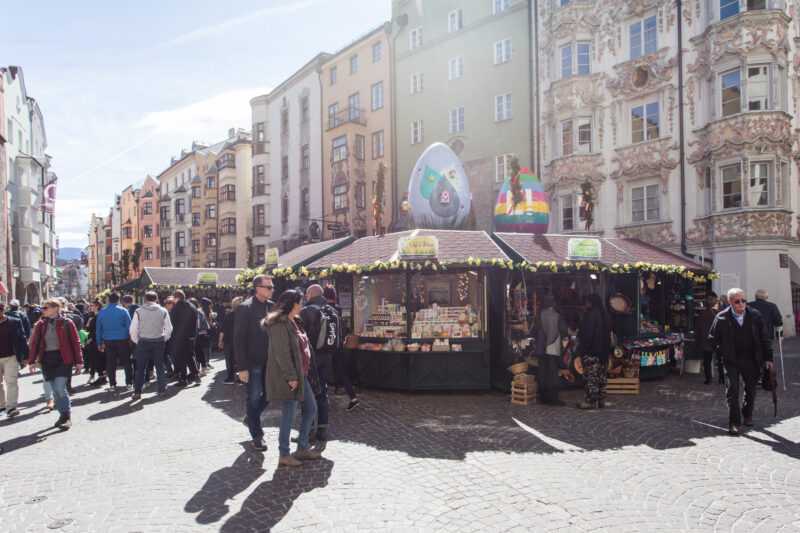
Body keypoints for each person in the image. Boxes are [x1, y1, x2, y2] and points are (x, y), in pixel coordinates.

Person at [264, 289, 321, 467]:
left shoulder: (295, 321)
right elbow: (282, 353)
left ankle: (302, 447)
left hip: (301, 374)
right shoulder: (279, 324)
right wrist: (291, 376)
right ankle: (284, 453)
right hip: (290, 376)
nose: (302, 304)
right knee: (288, 414)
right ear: (292, 304)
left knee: (311, 409)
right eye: (300, 302)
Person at [708, 288, 774, 435]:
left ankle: (747, 413)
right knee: (732, 390)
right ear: (730, 302)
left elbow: (765, 338)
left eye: (743, 300)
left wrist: (768, 358)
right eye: (737, 301)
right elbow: (712, 338)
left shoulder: (755, 315)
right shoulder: (721, 317)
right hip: (731, 360)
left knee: (750, 389)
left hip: (751, 358)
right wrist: (721, 351)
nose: (741, 304)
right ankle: (734, 422)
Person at [27, 299, 83, 430]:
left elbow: (75, 342)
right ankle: (63, 415)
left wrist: (79, 361)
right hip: (47, 360)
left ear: (55, 308)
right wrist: (31, 361)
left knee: (59, 387)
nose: (42, 310)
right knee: (54, 390)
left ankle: (66, 416)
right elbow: (35, 343)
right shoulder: (40, 324)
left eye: (45, 308)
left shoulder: (67, 323)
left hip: (63, 358)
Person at [235, 275, 274, 451]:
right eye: (268, 287)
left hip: (271, 362)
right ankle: (257, 436)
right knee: (253, 397)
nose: (271, 290)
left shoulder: (272, 307)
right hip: (253, 363)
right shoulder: (246, 308)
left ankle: (251, 418)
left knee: (270, 395)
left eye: (272, 287)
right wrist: (242, 367)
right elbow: (238, 339)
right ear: (258, 288)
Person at [300, 284, 341, 445]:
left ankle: (308, 431)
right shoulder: (332, 310)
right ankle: (323, 429)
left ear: (310, 295)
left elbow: (301, 337)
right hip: (328, 356)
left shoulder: (307, 311)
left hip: (311, 357)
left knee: (307, 394)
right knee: (322, 391)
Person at [129, 291, 173, 401]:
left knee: (140, 368)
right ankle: (162, 390)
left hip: (143, 341)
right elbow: (169, 328)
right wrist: (164, 338)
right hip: (158, 341)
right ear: (156, 299)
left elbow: (133, 329)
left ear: (145, 299)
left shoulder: (138, 311)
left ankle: (137, 392)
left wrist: (137, 340)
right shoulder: (163, 311)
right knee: (159, 366)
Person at [324, 286, 360, 410]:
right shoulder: (338, 308)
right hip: (338, 344)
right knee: (341, 370)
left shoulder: (323, 309)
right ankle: (352, 397)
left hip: (327, 344)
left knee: (322, 370)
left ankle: (322, 399)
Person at [577, 293, 611, 410]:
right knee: (601, 377)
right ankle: (601, 400)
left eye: (587, 302)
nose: (585, 304)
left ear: (590, 302)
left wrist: (582, 350)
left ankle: (591, 401)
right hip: (604, 353)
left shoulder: (591, 315)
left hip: (592, 352)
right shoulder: (605, 314)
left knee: (591, 377)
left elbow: (587, 335)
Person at [96, 292, 133, 392]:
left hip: (108, 340)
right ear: (118, 300)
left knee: (111, 363)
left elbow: (98, 329)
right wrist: (131, 339)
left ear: (108, 300)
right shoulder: (123, 310)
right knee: (126, 362)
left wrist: (99, 343)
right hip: (122, 339)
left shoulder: (102, 312)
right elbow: (130, 326)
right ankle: (129, 383)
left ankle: (112, 384)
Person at [534, 294, 566, 406]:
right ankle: (553, 398)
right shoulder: (557, 316)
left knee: (542, 372)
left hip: (541, 348)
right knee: (552, 373)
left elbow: (536, 329)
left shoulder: (540, 315)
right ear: (553, 303)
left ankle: (543, 397)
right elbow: (563, 330)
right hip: (552, 347)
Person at [0, 302, 29, 419]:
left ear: (3, 311)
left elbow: (22, 338)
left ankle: (11, 407)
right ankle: (1, 406)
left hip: (11, 357)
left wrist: (26, 356)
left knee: (11, 382)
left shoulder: (14, 322)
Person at [170, 290, 201, 387]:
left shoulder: (176, 307)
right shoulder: (192, 306)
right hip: (191, 336)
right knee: (190, 355)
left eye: (173, 298)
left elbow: (172, 322)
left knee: (181, 358)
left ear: (177, 297)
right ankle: (195, 374)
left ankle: (183, 379)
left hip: (179, 336)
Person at [697, 291, 721, 385]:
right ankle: (721, 378)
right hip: (717, 340)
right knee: (720, 360)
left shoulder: (702, 314)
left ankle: (708, 379)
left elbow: (698, 328)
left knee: (707, 360)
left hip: (707, 340)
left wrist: (698, 339)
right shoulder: (719, 313)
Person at [219, 296, 243, 384]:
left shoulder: (229, 315)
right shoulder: (245, 315)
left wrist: (220, 341)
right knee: (240, 360)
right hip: (241, 341)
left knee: (229, 360)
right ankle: (241, 378)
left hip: (229, 341)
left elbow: (223, 330)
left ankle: (230, 377)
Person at [84, 300, 107, 386]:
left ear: (97, 306)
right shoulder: (92, 315)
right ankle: (98, 376)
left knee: (98, 359)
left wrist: (91, 339)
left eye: (92, 305)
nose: (90, 307)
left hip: (96, 340)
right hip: (93, 340)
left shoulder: (100, 315)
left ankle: (101, 377)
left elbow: (98, 329)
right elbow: (88, 328)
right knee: (94, 359)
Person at [190, 297, 211, 375]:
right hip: (201, 334)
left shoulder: (197, 312)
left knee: (198, 352)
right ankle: (202, 368)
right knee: (199, 352)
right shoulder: (199, 311)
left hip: (198, 334)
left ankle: (202, 369)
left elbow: (197, 325)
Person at [163, 296, 176, 376]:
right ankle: (169, 370)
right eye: (170, 304)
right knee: (165, 354)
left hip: (173, 336)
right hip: (165, 336)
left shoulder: (174, 312)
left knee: (172, 354)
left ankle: (175, 370)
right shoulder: (163, 311)